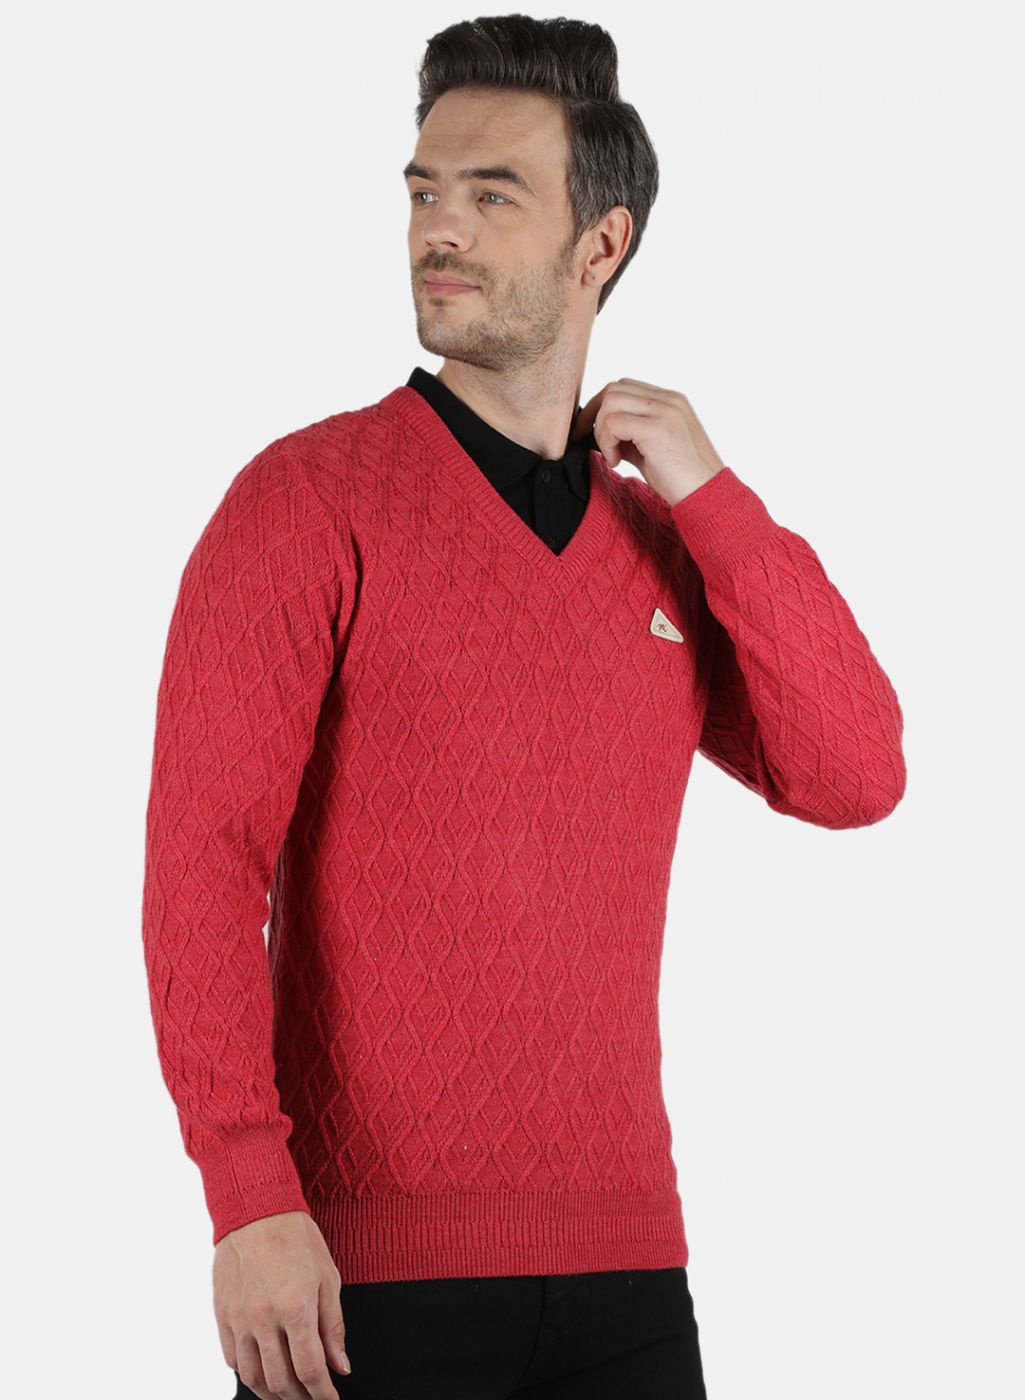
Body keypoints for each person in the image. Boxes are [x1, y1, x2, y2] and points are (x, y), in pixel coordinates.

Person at [141, 15, 906, 1400]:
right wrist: (247, 1195)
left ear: (599, 243)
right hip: (356, 1281)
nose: (439, 229)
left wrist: (713, 496)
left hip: (629, 1277)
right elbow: (201, 859)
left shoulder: (662, 543)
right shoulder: (304, 502)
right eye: (424, 192)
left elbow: (854, 774)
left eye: (492, 197)